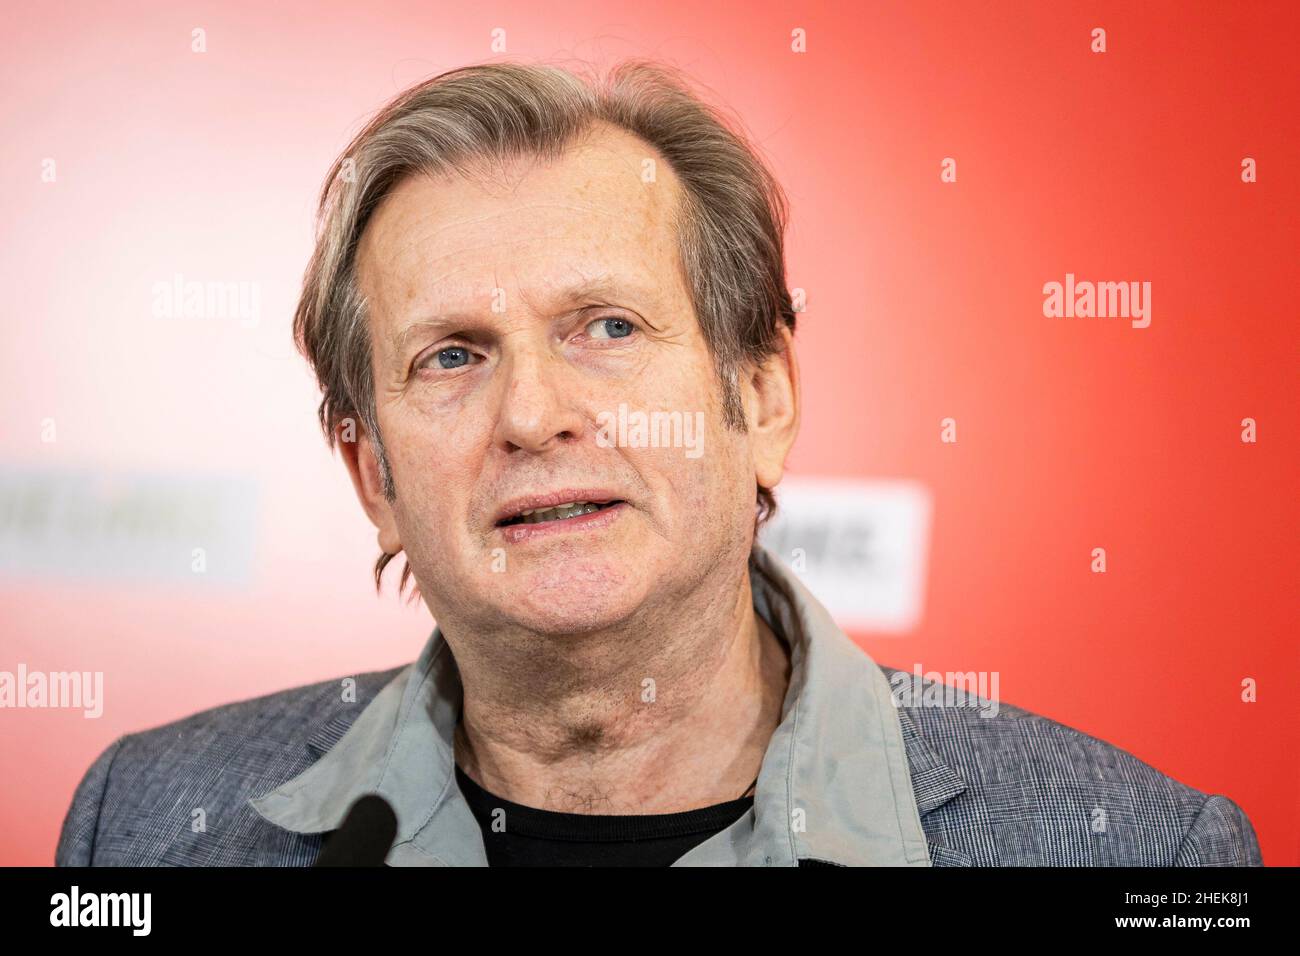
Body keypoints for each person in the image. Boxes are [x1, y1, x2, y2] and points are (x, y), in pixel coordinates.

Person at [56, 60, 1262, 867]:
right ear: (371, 476)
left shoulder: (1137, 853)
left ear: (762, 395)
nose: (532, 413)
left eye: (608, 327)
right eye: (452, 355)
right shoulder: (148, 823)